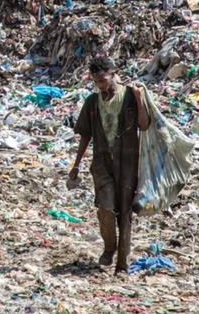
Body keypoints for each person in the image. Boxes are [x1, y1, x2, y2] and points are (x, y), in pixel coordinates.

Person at [67, 56, 150, 271]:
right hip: (102, 163)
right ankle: (109, 247)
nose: (101, 85)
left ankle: (122, 264)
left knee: (124, 213)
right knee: (105, 207)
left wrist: (140, 100)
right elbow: (85, 135)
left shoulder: (131, 96)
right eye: (96, 81)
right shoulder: (92, 103)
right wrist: (76, 164)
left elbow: (144, 124)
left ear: (114, 74)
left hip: (128, 163)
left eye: (104, 80)